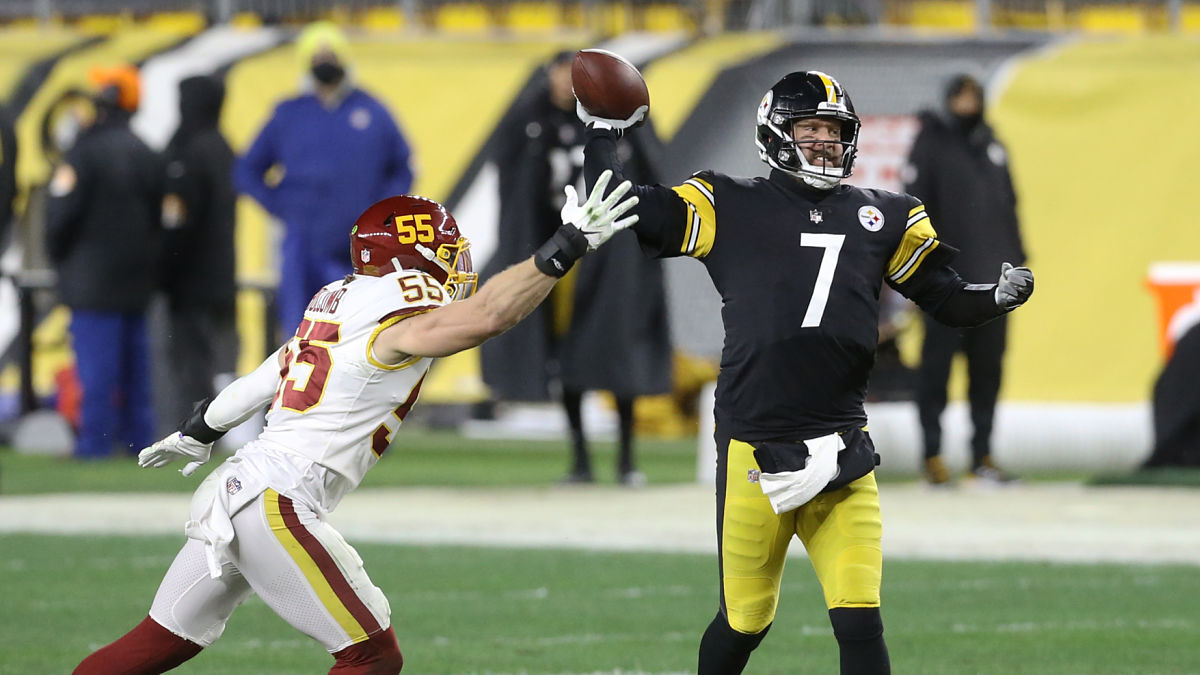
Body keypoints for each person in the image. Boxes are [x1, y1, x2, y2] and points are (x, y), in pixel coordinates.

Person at [70, 170, 638, 675]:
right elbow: (488, 315)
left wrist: (200, 429)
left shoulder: (339, 298)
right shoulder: (401, 309)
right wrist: (567, 245)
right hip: (278, 499)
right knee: (372, 657)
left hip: (240, 489)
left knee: (158, 641)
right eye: (446, 251)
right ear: (412, 257)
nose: (455, 263)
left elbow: (267, 375)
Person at [579, 71, 1034, 674]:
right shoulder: (725, 201)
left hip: (842, 444)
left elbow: (944, 297)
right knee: (745, 620)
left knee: (860, 617)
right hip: (755, 444)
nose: (824, 141)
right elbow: (623, 204)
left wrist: (993, 298)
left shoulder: (885, 214)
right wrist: (603, 132)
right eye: (811, 128)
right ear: (776, 133)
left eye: (834, 130)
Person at [482, 50, 671, 485]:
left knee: (616, 347)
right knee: (567, 354)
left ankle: (626, 459)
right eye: (562, 72)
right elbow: (513, 182)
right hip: (565, 248)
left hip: (613, 254)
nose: (568, 82)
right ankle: (581, 459)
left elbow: (655, 172)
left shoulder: (620, 117)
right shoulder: (532, 119)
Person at [235, 21, 415, 339]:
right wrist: (282, 206)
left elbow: (403, 168)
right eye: (317, 56)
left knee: (355, 332)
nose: (325, 61)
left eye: (330, 54)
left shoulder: (372, 110)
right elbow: (247, 170)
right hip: (302, 243)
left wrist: (380, 215)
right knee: (301, 331)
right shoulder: (289, 113)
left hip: (357, 246)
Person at [902, 73, 1027, 486]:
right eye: (961, 95)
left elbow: (1010, 206)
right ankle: (932, 457)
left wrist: (1016, 259)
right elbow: (914, 210)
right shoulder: (931, 143)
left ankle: (982, 458)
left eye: (974, 95)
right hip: (946, 285)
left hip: (993, 284)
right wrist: (921, 272)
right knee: (935, 374)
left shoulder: (991, 144)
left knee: (987, 374)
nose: (968, 103)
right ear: (948, 98)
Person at [44, 64, 163, 460]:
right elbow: (158, 221)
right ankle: (139, 446)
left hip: (91, 283)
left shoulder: (84, 153)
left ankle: (94, 447)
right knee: (136, 373)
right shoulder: (146, 153)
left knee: (96, 374)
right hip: (137, 282)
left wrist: (61, 259)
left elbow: (59, 218)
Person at [160, 74, 239, 430]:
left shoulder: (188, 150)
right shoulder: (223, 146)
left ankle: (194, 431)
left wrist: (163, 267)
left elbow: (179, 220)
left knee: (190, 361)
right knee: (217, 358)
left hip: (190, 277)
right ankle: (216, 427)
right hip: (222, 271)